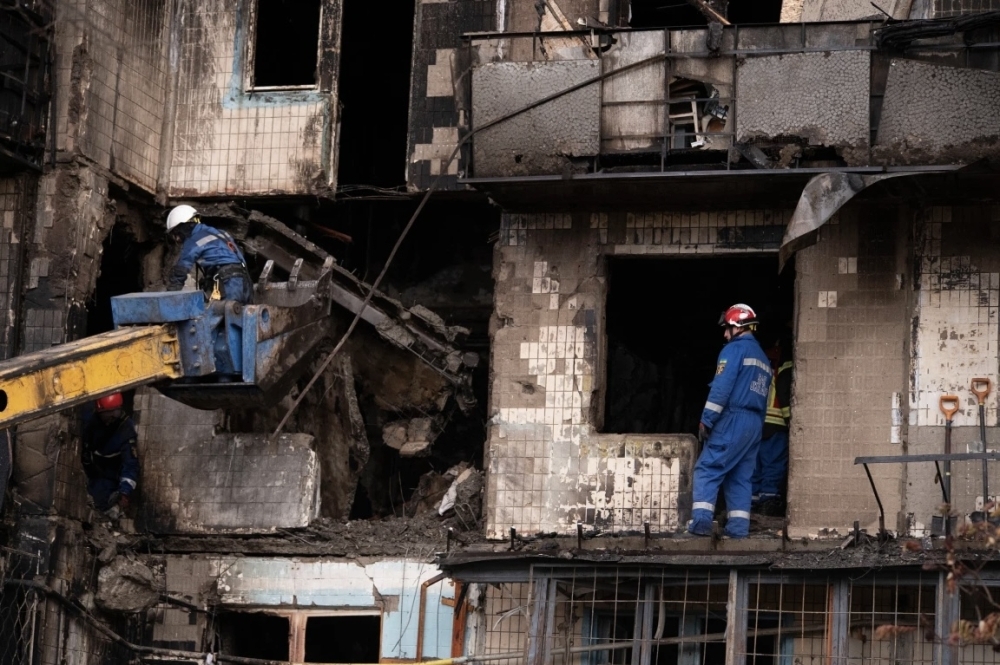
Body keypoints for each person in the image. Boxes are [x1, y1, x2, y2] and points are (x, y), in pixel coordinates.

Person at [688, 304, 772, 539]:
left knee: (707, 469)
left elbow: (722, 388)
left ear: (737, 326)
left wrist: (707, 419)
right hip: (754, 424)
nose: (725, 335)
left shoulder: (734, 351)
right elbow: (764, 396)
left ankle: (702, 523)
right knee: (740, 477)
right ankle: (737, 529)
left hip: (733, 418)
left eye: (727, 328)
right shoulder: (764, 359)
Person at [165, 204, 253, 304]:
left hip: (228, 282)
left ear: (183, 226)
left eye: (176, 233)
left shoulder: (193, 240)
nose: (177, 238)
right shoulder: (221, 233)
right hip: (245, 280)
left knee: (227, 316)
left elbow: (182, 268)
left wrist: (170, 295)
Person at [752, 336, 793, 515]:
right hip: (776, 424)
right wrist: (790, 420)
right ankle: (768, 504)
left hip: (756, 423)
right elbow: (784, 393)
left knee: (755, 466)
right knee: (773, 465)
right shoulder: (785, 365)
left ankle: (751, 504)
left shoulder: (758, 364)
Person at [81, 393, 139, 516]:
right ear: (99, 411)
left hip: (110, 476)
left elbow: (130, 464)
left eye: (115, 413)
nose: (112, 417)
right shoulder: (89, 418)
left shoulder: (126, 429)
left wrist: (124, 493)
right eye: (107, 414)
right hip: (91, 470)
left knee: (103, 504)